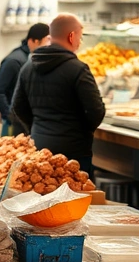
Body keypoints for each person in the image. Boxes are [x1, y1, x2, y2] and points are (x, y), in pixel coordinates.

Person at [11, 13, 105, 180]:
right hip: (74, 151)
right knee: (74, 199)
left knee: (41, 198)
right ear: (71, 36)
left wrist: (36, 127)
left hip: (40, 148)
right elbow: (96, 111)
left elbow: (18, 106)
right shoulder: (78, 69)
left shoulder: (28, 66)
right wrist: (81, 131)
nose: (80, 42)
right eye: (80, 37)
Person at [0, 23, 49, 136]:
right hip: (13, 126)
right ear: (33, 41)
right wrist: (10, 116)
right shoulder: (14, 61)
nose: (48, 46)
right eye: (46, 41)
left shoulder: (30, 59)